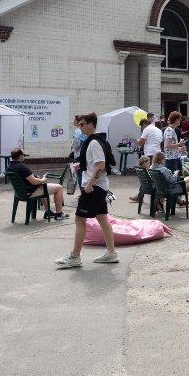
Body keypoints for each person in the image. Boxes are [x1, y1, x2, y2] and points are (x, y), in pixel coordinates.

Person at [55, 112, 119, 268]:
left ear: (91, 124)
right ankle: (111, 253)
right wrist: (82, 166)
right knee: (102, 218)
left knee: (80, 219)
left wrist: (89, 185)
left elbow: (101, 166)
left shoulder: (94, 143)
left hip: (94, 188)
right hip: (99, 186)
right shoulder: (95, 141)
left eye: (82, 124)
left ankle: (75, 256)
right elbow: (96, 164)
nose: (80, 126)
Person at [8, 148, 67, 219]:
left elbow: (28, 178)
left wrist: (38, 179)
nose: (24, 157)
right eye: (24, 155)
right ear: (20, 156)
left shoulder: (9, 167)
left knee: (43, 187)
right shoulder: (22, 166)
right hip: (30, 192)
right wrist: (43, 179)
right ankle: (59, 213)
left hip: (19, 192)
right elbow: (34, 181)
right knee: (58, 187)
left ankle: (48, 212)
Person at [150, 151, 189, 216]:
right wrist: (176, 173)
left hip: (162, 189)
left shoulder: (152, 168)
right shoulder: (163, 169)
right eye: (164, 158)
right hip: (171, 190)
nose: (165, 160)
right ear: (160, 159)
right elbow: (173, 180)